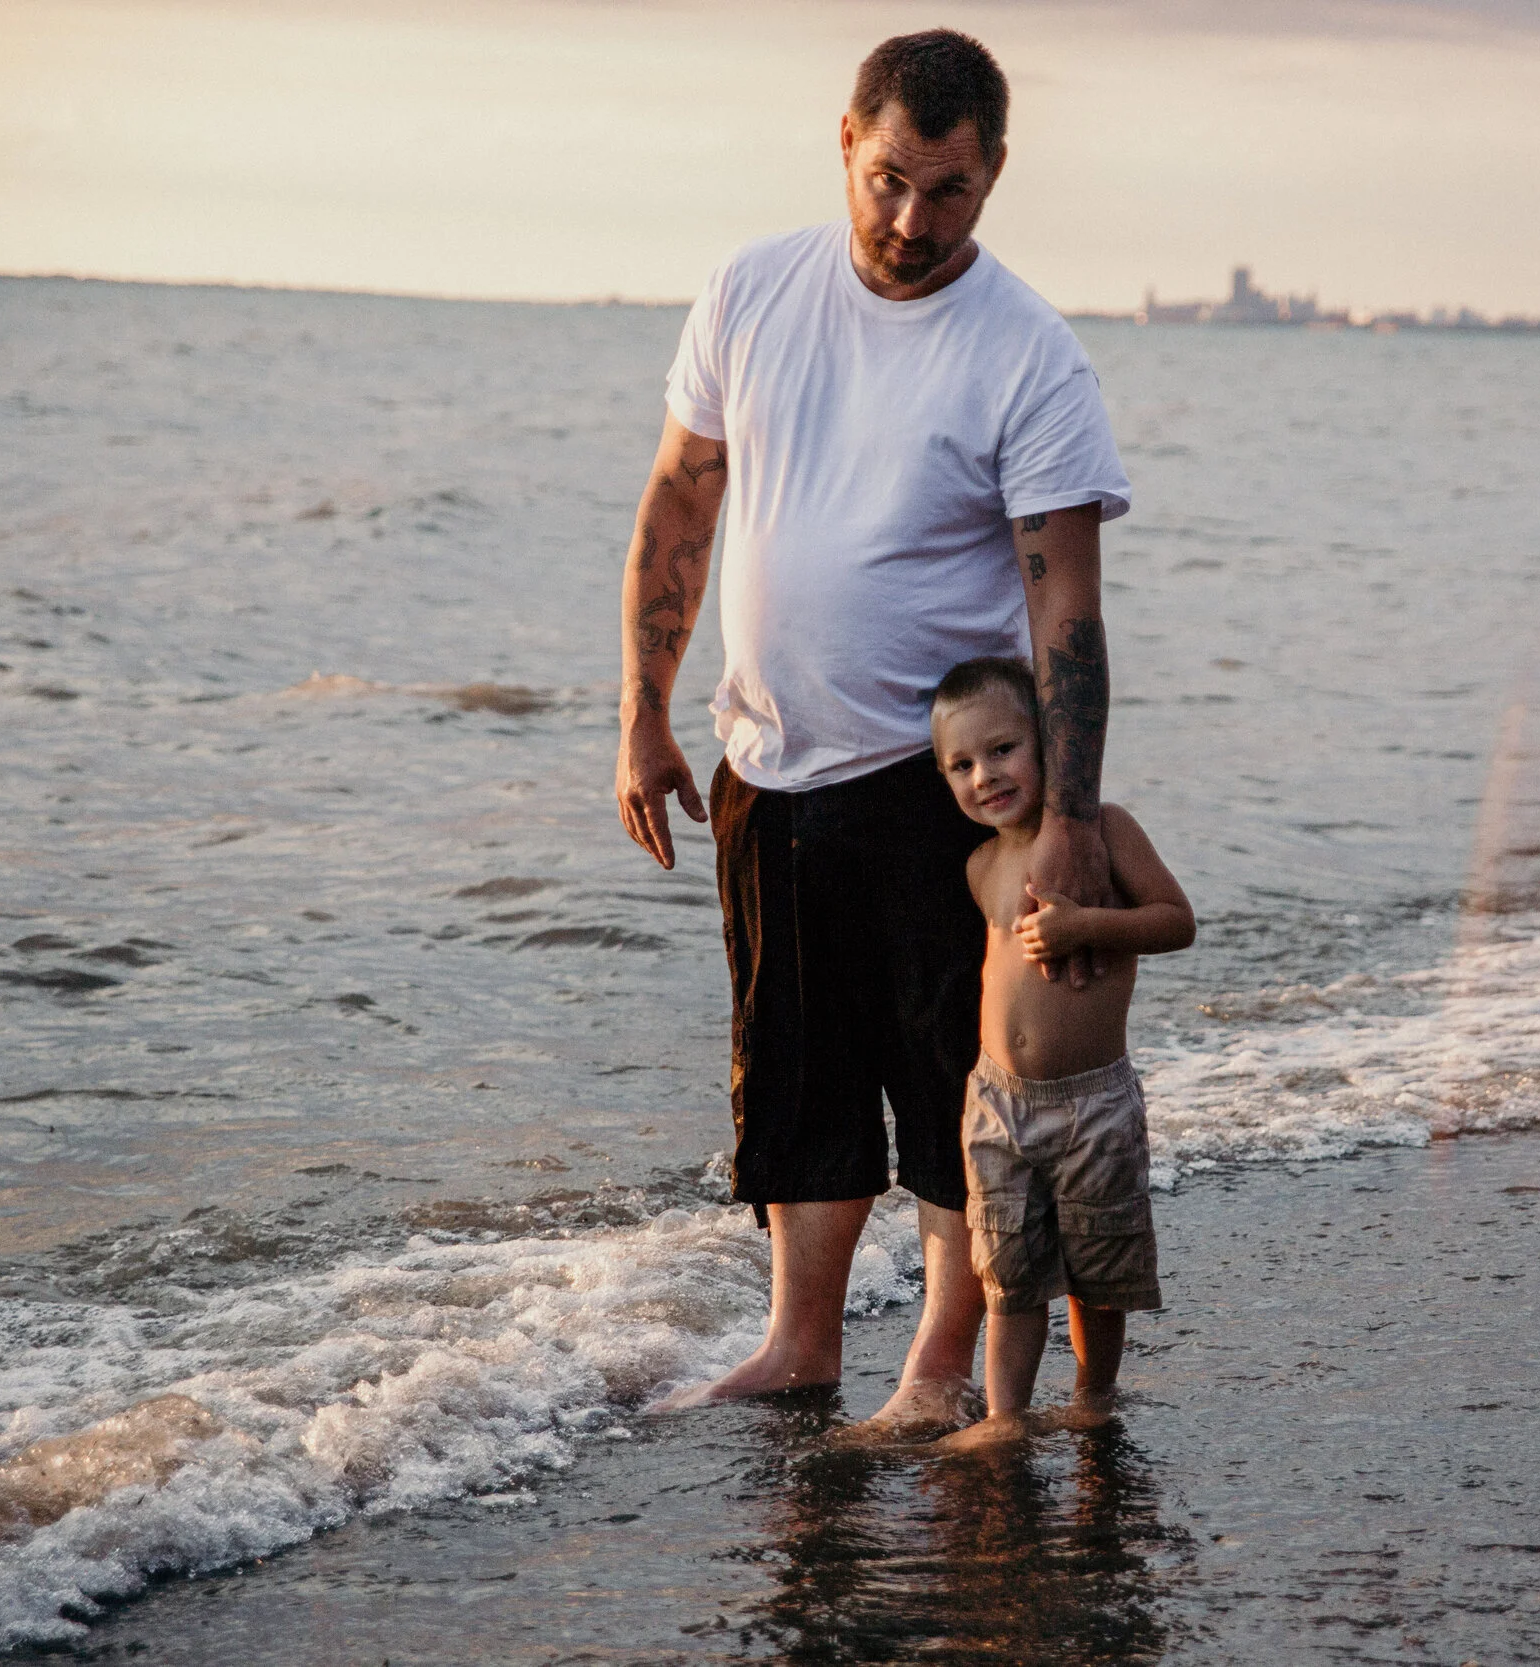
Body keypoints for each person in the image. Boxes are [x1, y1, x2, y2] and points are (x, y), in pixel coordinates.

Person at [612, 29, 1133, 1429]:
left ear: (994, 175)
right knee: (796, 1069)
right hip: (766, 762)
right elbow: (683, 495)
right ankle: (800, 1344)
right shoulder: (752, 289)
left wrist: (1069, 819)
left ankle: (935, 1368)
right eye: (890, 179)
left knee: (954, 1079)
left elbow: (1066, 608)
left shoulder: (1029, 354)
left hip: (942, 783)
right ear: (846, 141)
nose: (911, 220)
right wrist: (642, 710)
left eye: (947, 190)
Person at [924, 657, 1193, 1448]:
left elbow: (1176, 920)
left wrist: (1087, 926)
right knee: (1008, 1275)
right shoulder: (980, 865)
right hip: (997, 1106)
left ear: (1050, 743)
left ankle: (1093, 1395)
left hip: (1092, 1104)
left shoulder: (1105, 831)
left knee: (1097, 1274)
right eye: (961, 765)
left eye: (1002, 749)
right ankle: (1005, 1417)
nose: (984, 775)